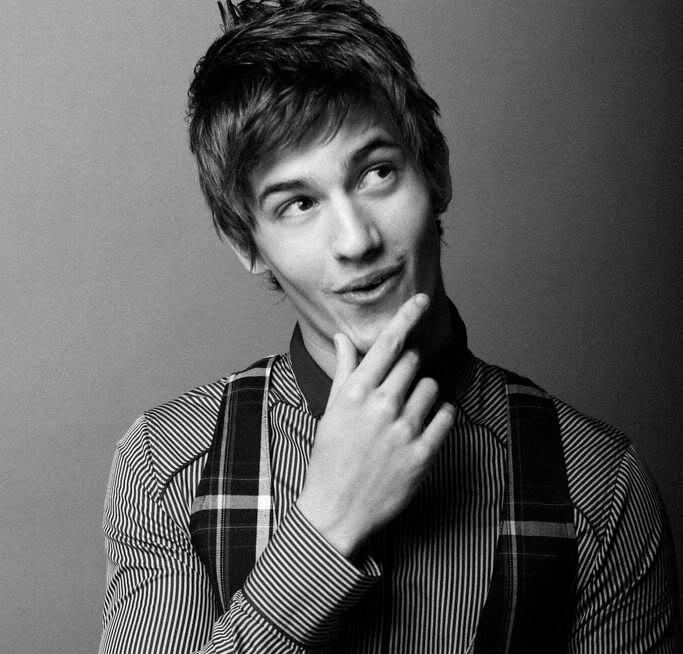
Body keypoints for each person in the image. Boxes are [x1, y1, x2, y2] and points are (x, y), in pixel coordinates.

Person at [98, 1, 681, 652]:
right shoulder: (169, 469)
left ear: (436, 171)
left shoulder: (598, 488)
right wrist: (324, 530)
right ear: (247, 244)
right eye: (298, 203)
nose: (356, 240)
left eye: (377, 172)